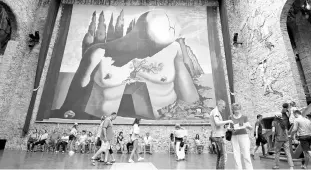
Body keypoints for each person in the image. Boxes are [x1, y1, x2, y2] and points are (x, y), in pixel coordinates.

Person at [53, 10, 201, 120]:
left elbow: (189, 96)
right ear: (139, 37)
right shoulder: (97, 53)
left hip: (159, 121)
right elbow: (74, 97)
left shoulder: (173, 49)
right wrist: (68, 112)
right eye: (154, 47)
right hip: (106, 123)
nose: (153, 54)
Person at [209, 99, 233, 169]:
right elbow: (217, 123)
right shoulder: (215, 112)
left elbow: (219, 125)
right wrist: (228, 121)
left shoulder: (215, 112)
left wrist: (226, 127)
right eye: (223, 106)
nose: (224, 108)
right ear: (219, 105)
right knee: (223, 156)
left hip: (216, 135)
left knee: (220, 155)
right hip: (218, 136)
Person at [230, 103, 253, 170]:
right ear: (233, 110)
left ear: (240, 109)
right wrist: (230, 129)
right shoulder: (230, 117)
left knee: (246, 154)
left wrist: (247, 126)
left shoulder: (244, 117)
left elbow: (250, 127)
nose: (236, 111)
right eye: (235, 109)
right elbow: (230, 127)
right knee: (236, 155)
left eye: (238, 109)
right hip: (234, 137)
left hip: (243, 136)